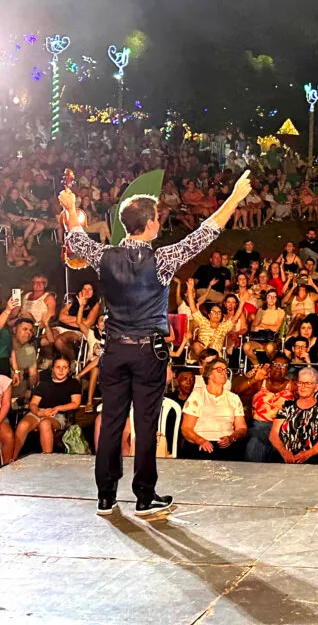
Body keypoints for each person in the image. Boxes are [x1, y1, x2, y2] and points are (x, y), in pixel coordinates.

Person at [60, 169, 252, 517]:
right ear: (149, 224)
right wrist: (236, 197)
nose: (159, 223)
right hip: (147, 352)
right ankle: (144, 497)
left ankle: (106, 497)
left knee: (112, 421)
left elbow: (75, 236)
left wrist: (71, 207)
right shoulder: (162, 260)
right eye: (157, 219)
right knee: (146, 424)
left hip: (114, 350)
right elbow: (206, 232)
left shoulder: (104, 257)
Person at [11, 357, 82, 460]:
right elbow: (33, 403)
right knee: (23, 425)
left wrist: (58, 408)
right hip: (40, 411)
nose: (61, 370)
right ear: (53, 369)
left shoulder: (73, 383)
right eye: (58, 367)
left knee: (45, 423)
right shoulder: (44, 383)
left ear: (68, 370)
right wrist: (39, 413)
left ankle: (47, 459)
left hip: (58, 414)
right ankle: (12, 459)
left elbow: (75, 403)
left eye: (64, 367)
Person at [180, 358, 248, 460]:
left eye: (225, 370)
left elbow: (242, 428)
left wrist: (231, 438)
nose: (224, 373)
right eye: (219, 370)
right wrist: (201, 441)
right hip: (201, 443)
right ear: (209, 374)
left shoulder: (233, 398)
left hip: (226, 443)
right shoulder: (198, 395)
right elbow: (186, 429)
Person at [269, 367, 318, 464]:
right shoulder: (287, 406)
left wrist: (308, 454)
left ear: (316, 387)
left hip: (315, 458)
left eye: (308, 383)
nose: (303, 386)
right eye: (300, 382)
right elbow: (273, 434)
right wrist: (284, 452)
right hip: (286, 458)